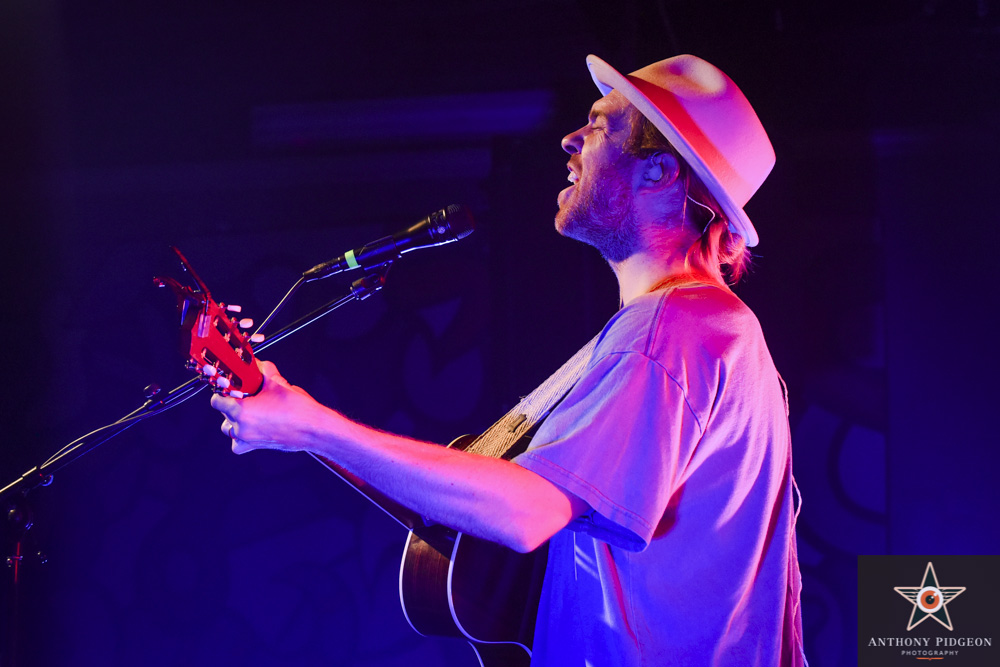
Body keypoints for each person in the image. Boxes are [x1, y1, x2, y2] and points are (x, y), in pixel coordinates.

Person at [211, 54, 806, 666]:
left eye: (601, 125)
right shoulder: (690, 331)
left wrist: (313, 425)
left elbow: (530, 511)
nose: (570, 138)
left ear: (658, 172)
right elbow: (500, 510)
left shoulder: (674, 330)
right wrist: (301, 424)